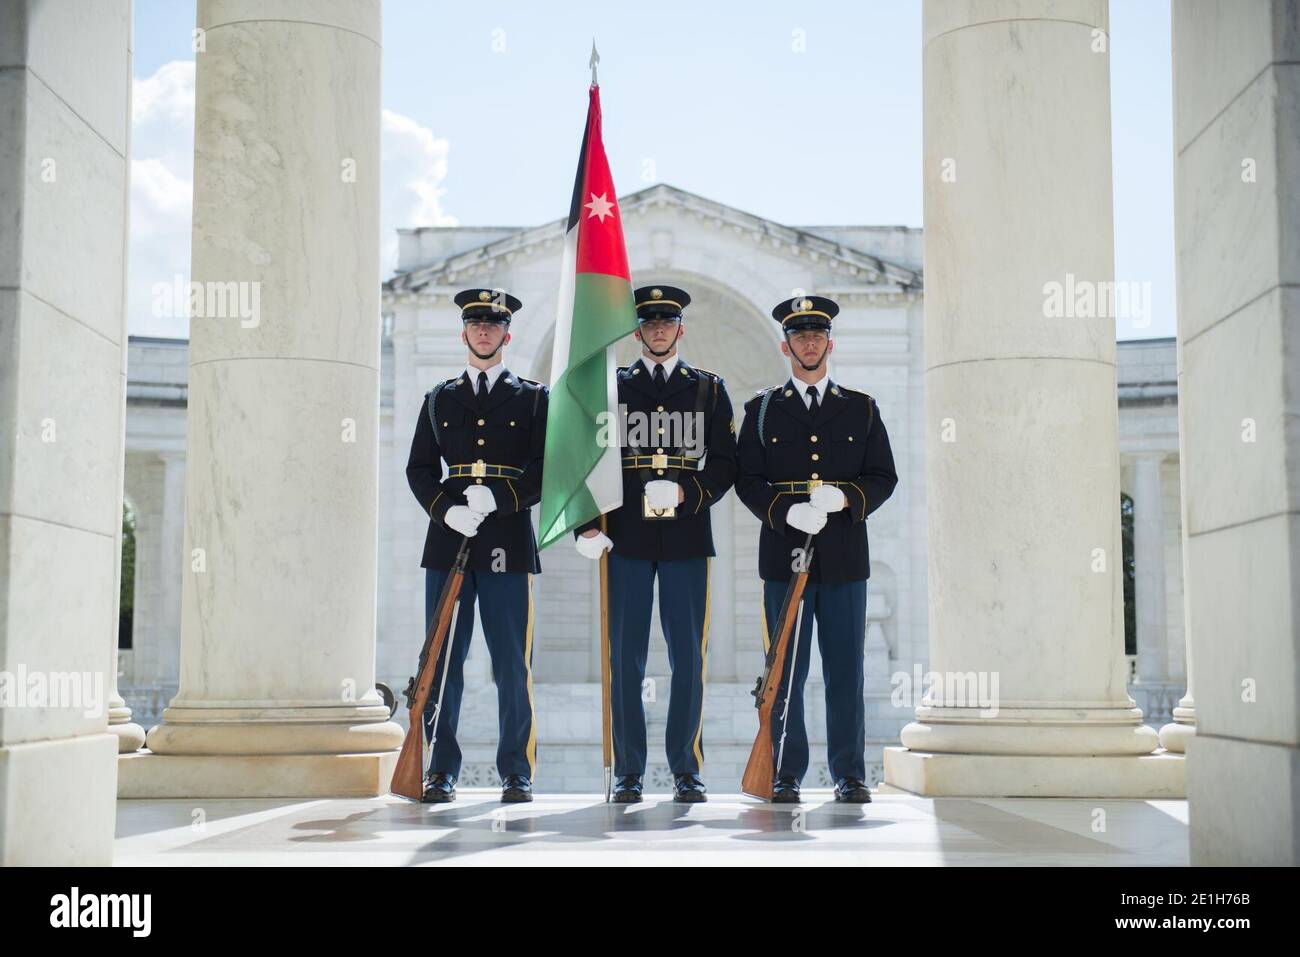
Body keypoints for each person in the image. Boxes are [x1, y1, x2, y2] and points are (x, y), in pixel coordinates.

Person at [574, 285, 737, 803]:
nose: (659, 330)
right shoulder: (612, 389)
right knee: (626, 657)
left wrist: (690, 491)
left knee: (688, 657)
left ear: (681, 329)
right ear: (638, 331)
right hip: (626, 535)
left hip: (687, 534)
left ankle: (686, 768)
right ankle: (629, 771)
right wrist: (585, 525)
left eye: (668, 322)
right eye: (649, 323)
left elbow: (728, 462)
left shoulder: (709, 390)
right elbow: (584, 457)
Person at [735, 295, 897, 803]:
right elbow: (746, 479)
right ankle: (784, 771)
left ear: (831, 343)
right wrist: (786, 511)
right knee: (786, 669)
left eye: (817, 335)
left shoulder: (862, 408)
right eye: (799, 336)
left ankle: (849, 773)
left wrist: (847, 498)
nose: (809, 343)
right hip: (785, 557)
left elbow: (883, 477)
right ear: (785, 347)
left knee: (845, 668)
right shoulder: (761, 411)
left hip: (845, 558)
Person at [405, 287, 548, 804]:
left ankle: (517, 770)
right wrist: (448, 508)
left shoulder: (534, 398)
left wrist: (503, 499)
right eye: (475, 324)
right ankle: (440, 769)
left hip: (507, 539)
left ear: (507, 335)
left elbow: (545, 471)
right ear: (462, 333)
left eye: (493, 325)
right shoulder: (439, 398)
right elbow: (419, 468)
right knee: (443, 658)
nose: (484, 332)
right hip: (449, 541)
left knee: (512, 661)